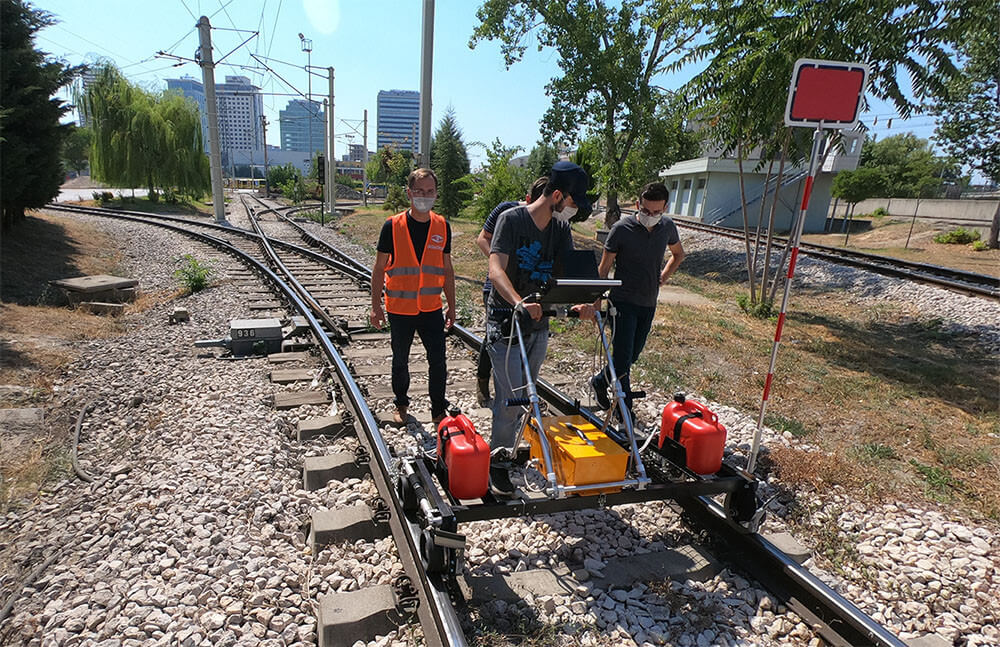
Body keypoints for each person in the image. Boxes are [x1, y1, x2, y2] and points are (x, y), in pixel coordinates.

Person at [486, 161, 595, 495]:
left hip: (539, 324)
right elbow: (495, 269)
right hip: (507, 321)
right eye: (573, 204)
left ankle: (512, 452)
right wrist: (518, 301)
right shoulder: (511, 220)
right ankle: (497, 465)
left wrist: (584, 300)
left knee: (527, 392)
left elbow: (569, 272)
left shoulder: (560, 230)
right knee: (512, 398)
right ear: (557, 195)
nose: (574, 212)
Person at [589, 181, 686, 422]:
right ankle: (625, 409)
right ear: (637, 205)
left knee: (632, 354)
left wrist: (663, 277)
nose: (650, 216)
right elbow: (603, 268)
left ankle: (599, 381)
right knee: (622, 358)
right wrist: (596, 302)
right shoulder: (621, 229)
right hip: (621, 302)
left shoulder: (667, 227)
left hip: (648, 302)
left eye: (656, 212)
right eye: (645, 211)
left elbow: (678, 254)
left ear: (664, 208)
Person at [370, 168, 456, 426]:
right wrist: (376, 307)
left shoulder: (442, 226)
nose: (424, 196)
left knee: (438, 362)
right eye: (419, 191)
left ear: (436, 194)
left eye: (429, 191)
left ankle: (438, 410)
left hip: (431, 308)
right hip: (400, 308)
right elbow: (378, 269)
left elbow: (447, 269)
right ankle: (401, 404)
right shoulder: (392, 226)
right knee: (400, 360)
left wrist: (451, 306)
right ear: (409, 193)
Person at [474, 176, 549, 406]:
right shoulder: (506, 212)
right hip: (499, 290)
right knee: (495, 337)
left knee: (528, 338)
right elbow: (482, 239)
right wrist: (503, 265)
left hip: (530, 292)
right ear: (528, 200)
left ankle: (523, 395)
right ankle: (483, 379)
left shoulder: (552, 224)